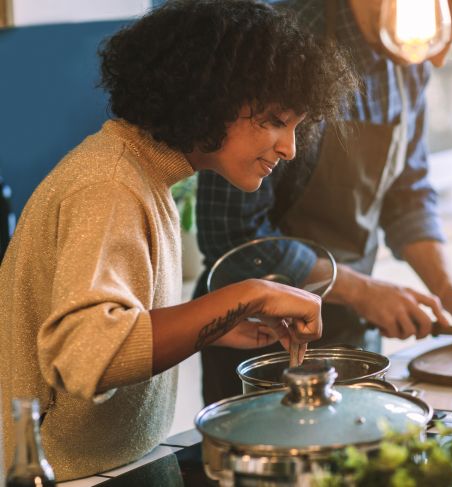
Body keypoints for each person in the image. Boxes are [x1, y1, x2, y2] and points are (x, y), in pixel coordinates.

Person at [0, 0, 356, 480]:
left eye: (296, 127)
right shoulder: (109, 184)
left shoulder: (144, 174)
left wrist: (212, 324)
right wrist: (251, 292)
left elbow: (125, 322)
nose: (289, 147)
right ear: (210, 95)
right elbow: (87, 354)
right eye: (274, 120)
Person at [195, 0, 452, 405]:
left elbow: (407, 192)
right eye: (440, 34)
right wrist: (362, 291)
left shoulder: (409, 58)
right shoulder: (278, 43)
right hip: (260, 346)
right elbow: (235, 237)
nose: (440, 57)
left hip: (352, 337)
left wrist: (448, 289)